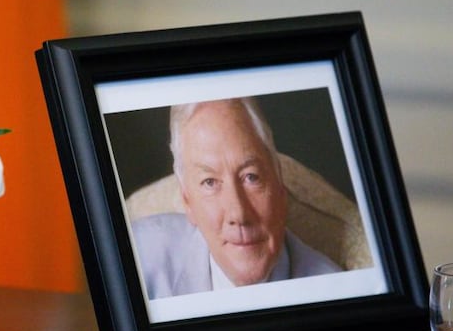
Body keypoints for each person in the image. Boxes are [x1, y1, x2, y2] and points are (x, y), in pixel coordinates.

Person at [132, 97, 341, 299]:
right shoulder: (137, 256)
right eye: (210, 182)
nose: (238, 214)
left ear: (280, 187)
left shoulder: (335, 294)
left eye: (251, 177)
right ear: (188, 202)